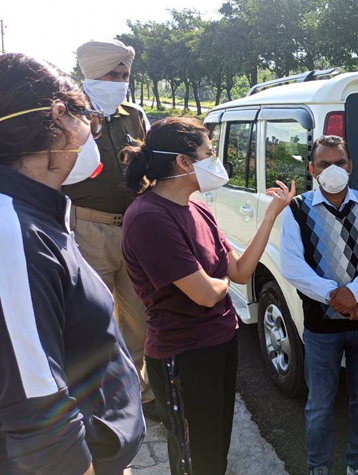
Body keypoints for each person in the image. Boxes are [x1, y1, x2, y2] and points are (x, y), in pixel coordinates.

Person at [120, 117, 295, 475]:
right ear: (184, 162)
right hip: (183, 356)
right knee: (194, 456)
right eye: (209, 153)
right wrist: (218, 283)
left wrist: (271, 216)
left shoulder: (198, 207)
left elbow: (240, 272)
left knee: (215, 446)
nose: (217, 161)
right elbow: (204, 294)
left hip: (220, 340)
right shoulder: (148, 217)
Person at [0, 53, 144, 475]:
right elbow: (39, 417)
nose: (90, 133)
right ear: (59, 117)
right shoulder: (14, 234)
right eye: (87, 118)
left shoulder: (33, 212)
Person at [279, 135, 358, 475]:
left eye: (339, 162)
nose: (333, 169)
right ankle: (319, 467)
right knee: (319, 406)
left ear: (350, 166)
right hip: (322, 328)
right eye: (325, 164)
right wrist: (338, 297)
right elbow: (293, 266)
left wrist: (354, 294)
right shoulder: (297, 210)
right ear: (313, 169)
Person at [63, 39, 156, 416]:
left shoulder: (133, 115)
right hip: (87, 229)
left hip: (132, 230)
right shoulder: (69, 114)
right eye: (111, 74)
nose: (119, 81)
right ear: (90, 74)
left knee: (138, 316)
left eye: (124, 75)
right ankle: (97, 399)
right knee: (93, 318)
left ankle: (140, 393)